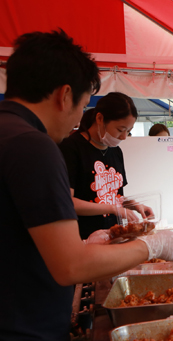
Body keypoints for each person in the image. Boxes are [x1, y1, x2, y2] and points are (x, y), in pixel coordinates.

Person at [0, 30, 173, 341]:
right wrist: (153, 246)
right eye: (84, 104)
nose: (78, 119)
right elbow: (68, 265)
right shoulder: (35, 146)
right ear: (65, 94)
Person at [60, 92, 146, 239]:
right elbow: (68, 202)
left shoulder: (116, 151)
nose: (124, 137)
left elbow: (115, 195)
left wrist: (133, 205)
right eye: (120, 129)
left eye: (128, 131)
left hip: (114, 235)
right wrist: (114, 209)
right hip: (83, 239)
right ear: (100, 119)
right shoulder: (71, 147)